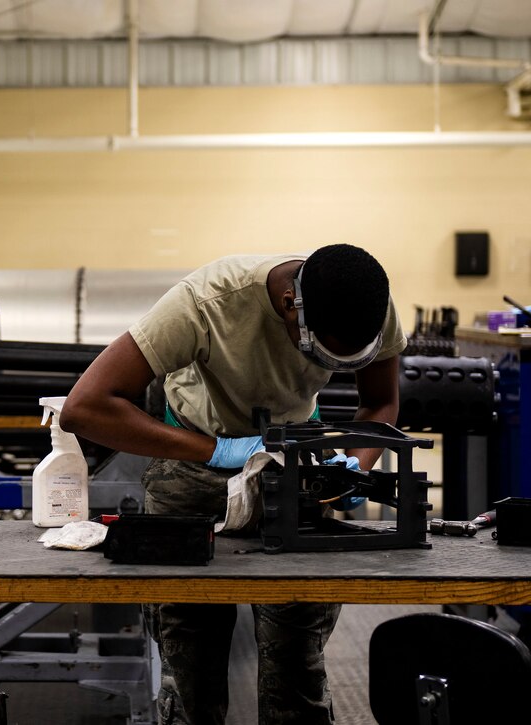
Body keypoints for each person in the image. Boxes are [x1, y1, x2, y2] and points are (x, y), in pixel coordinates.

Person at [59, 244, 405, 725]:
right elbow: (85, 407)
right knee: (190, 663)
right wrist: (218, 452)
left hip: (293, 471)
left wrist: (354, 465)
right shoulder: (206, 302)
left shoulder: (370, 303)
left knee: (297, 663)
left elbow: (380, 404)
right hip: (194, 466)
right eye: (323, 353)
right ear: (290, 304)